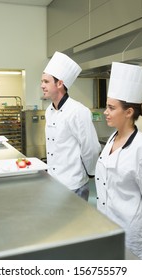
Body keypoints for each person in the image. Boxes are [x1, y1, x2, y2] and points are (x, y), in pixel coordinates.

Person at [95, 62, 142, 260]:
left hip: (131, 231)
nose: (105, 112)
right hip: (106, 223)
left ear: (128, 112)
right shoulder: (113, 138)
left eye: (111, 108)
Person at [41, 51, 101, 200]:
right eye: (42, 81)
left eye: (46, 82)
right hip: (53, 180)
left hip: (73, 185)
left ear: (60, 84)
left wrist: (90, 173)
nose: (42, 85)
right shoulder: (49, 111)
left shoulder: (78, 111)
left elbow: (91, 148)